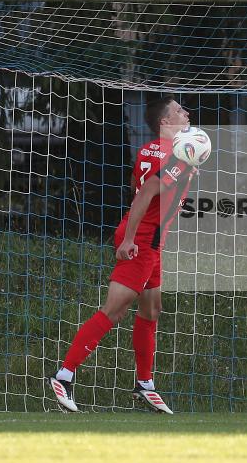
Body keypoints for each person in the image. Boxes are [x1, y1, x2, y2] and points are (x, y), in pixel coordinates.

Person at [48, 94, 196, 414]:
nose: (186, 113)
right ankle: (64, 376)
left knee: (151, 309)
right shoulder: (177, 156)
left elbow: (135, 185)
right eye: (178, 110)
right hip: (141, 240)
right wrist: (130, 239)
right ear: (165, 122)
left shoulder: (148, 150)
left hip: (147, 237)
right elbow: (145, 192)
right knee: (114, 310)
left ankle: (145, 383)